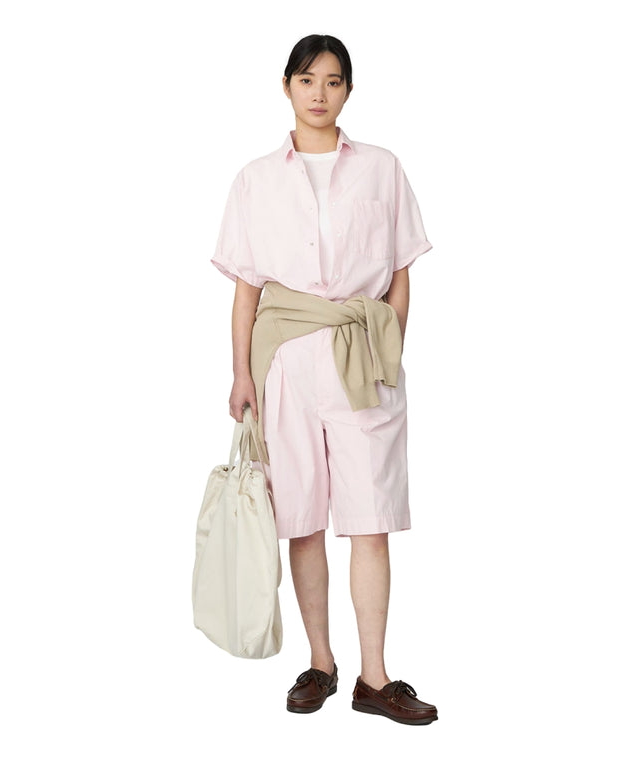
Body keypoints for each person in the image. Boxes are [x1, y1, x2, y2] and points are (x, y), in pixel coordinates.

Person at [210, 34, 437, 726]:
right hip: (285, 360)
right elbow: (247, 289)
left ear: (348, 91)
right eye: (307, 79)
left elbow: (401, 272)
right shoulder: (255, 179)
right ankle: (320, 663)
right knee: (302, 518)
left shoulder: (382, 169)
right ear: (286, 86)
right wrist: (241, 374)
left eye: (333, 81)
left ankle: (375, 677)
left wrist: (388, 348)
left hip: (362, 358)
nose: (319, 93)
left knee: (372, 519)